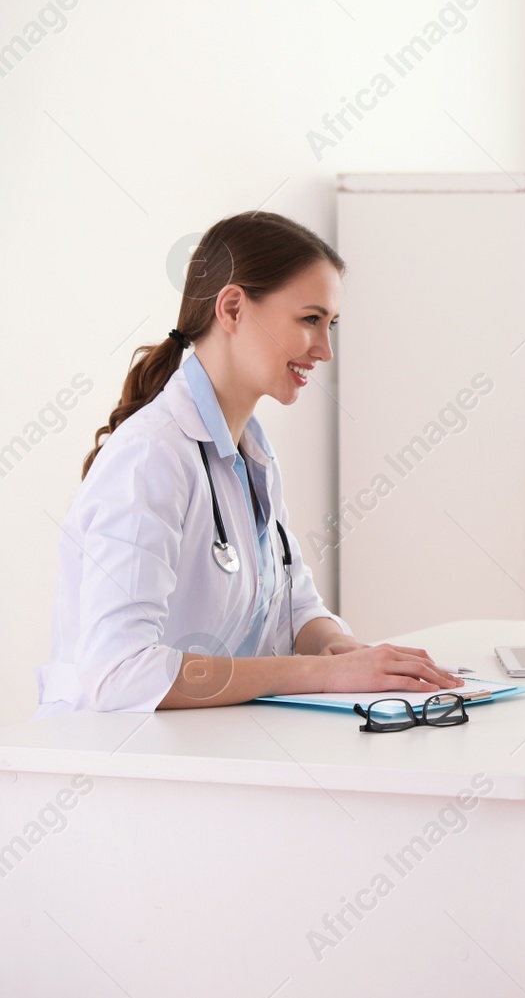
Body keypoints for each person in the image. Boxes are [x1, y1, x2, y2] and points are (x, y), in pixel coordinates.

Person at [36, 212, 465, 715]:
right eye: (310, 320)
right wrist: (322, 674)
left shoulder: (250, 455)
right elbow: (121, 674)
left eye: (331, 325)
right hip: (115, 771)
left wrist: (351, 653)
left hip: (208, 754)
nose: (325, 350)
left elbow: (293, 607)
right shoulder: (150, 457)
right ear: (234, 308)